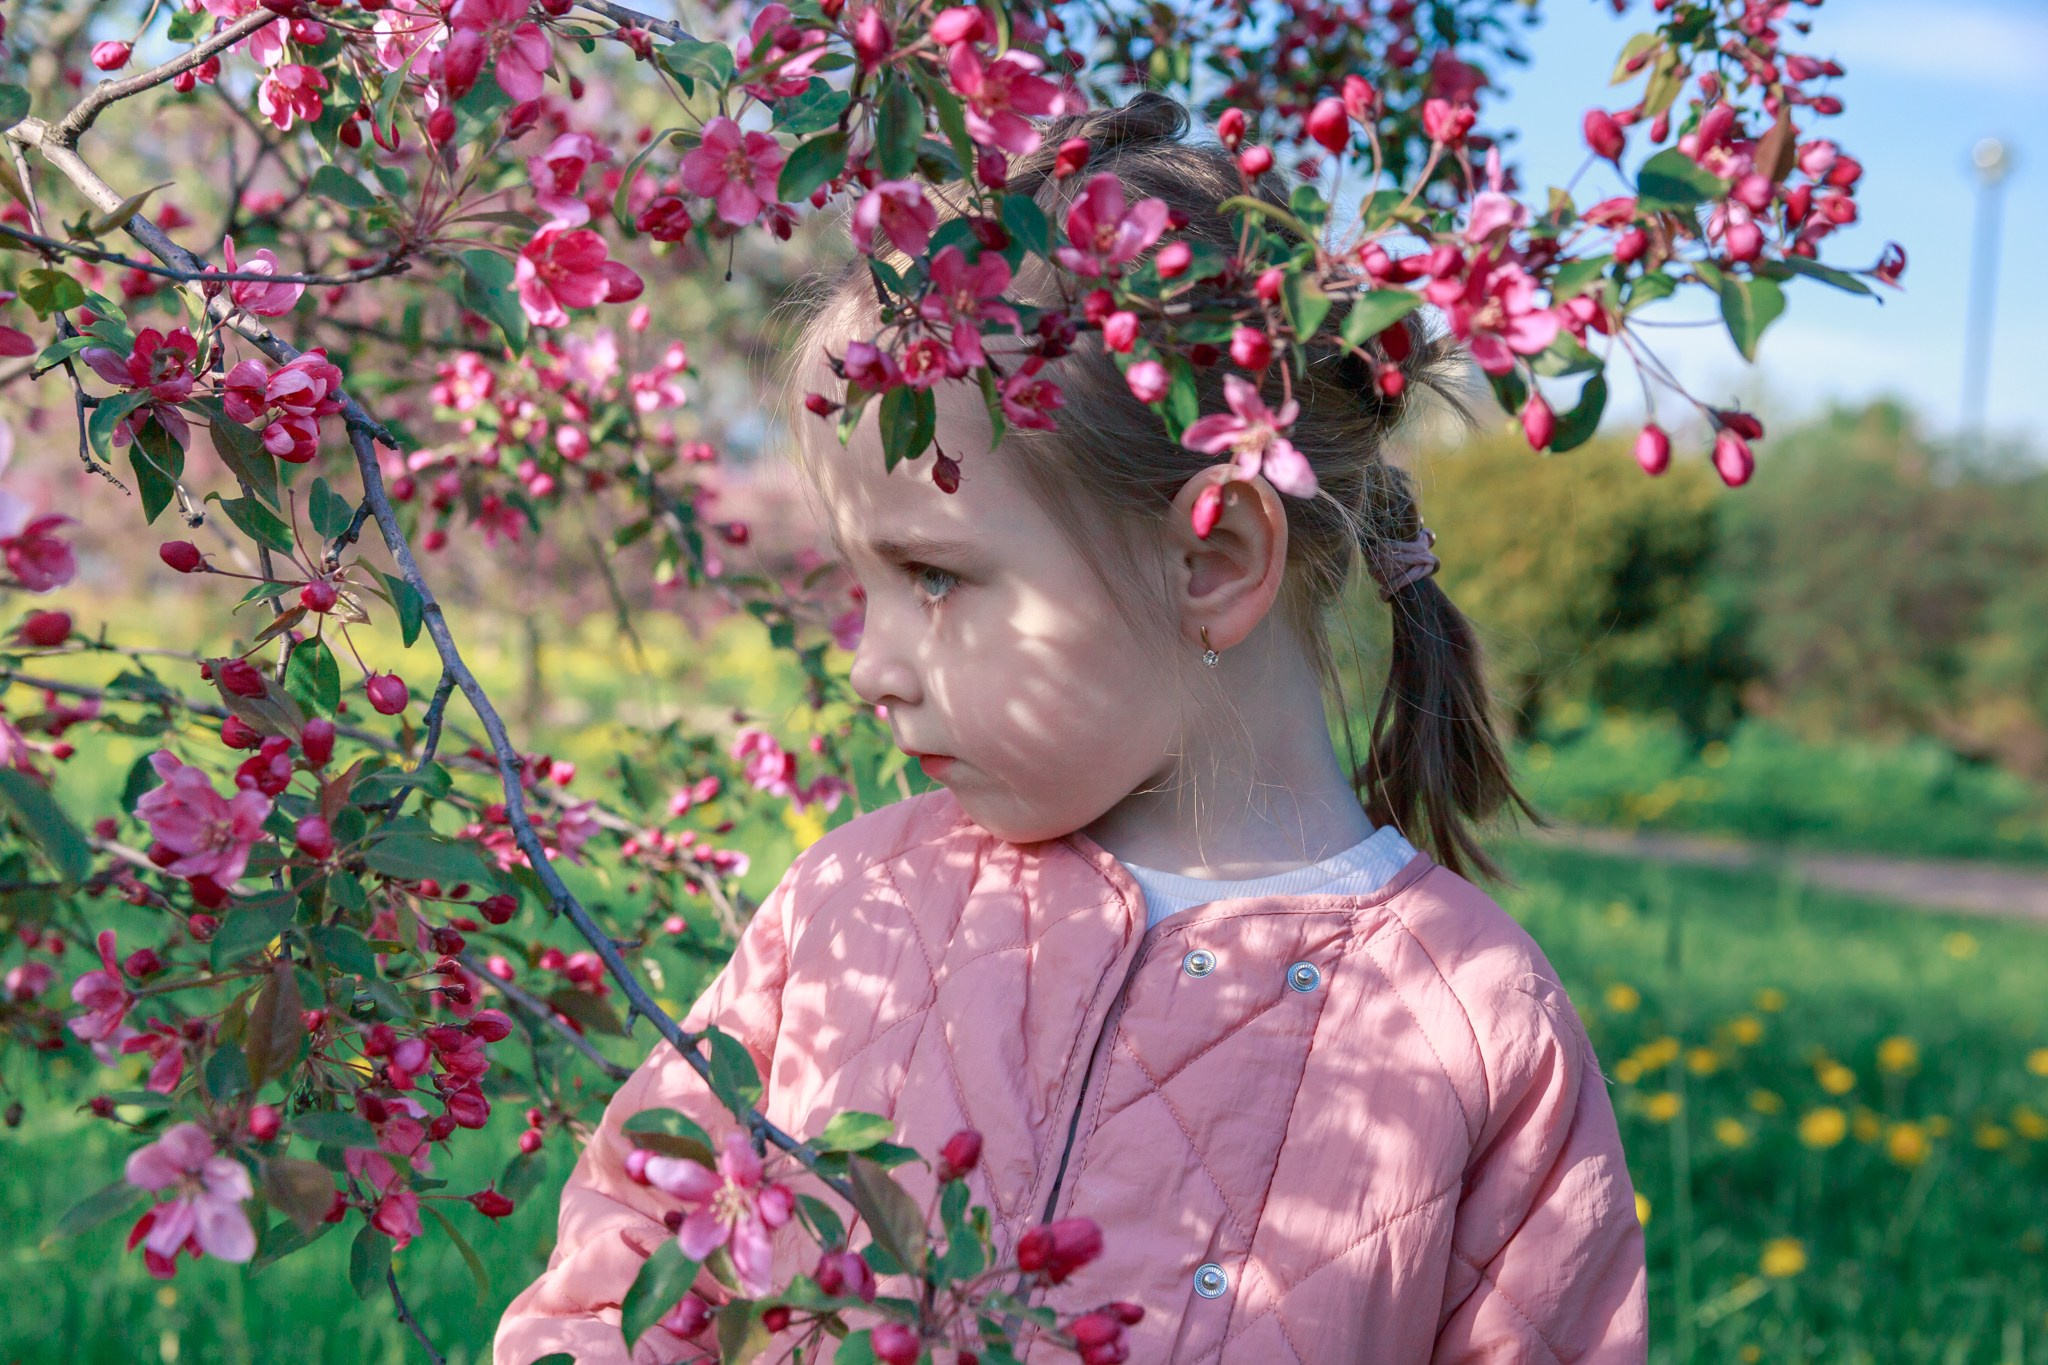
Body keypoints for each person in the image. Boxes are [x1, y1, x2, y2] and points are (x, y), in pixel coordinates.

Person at [496, 91, 1647, 1364]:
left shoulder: (1476, 1025)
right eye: (861, 583)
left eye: (934, 576)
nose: (869, 666)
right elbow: (622, 1270)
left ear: (1210, 561)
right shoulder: (854, 905)